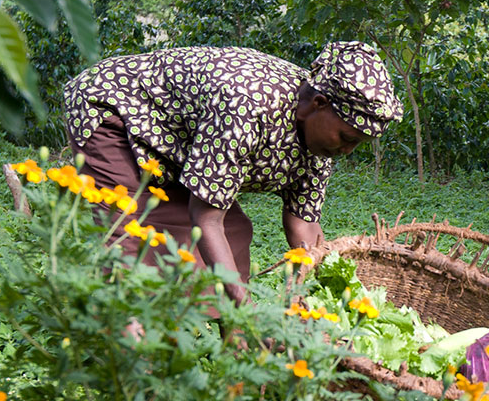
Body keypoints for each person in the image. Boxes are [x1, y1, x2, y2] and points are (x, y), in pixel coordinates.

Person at [62, 41, 403, 303]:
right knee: (130, 238)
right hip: (113, 110)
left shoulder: (320, 144)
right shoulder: (248, 104)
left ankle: (231, 344)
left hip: (173, 141)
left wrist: (333, 291)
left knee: (235, 233)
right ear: (318, 105)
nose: (346, 150)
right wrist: (244, 305)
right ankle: (129, 344)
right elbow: (206, 218)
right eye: (346, 138)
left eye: (355, 144)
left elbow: (303, 223)